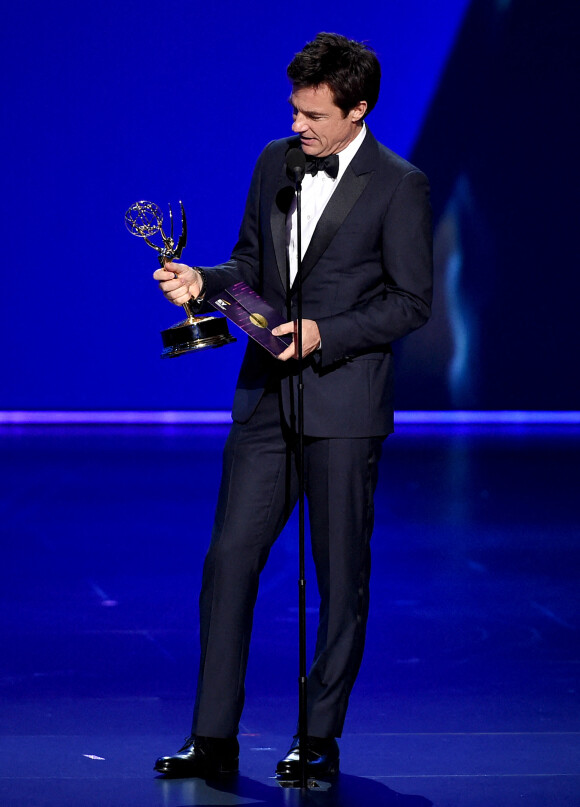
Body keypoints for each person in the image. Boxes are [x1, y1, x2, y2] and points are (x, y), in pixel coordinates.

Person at [152, 32, 433, 780]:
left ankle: (318, 736)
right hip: (265, 402)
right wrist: (201, 282)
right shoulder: (272, 163)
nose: (299, 125)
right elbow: (249, 263)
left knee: (340, 576)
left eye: (314, 114)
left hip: (343, 405)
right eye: (295, 109)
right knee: (228, 561)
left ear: (357, 109)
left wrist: (325, 333)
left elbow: (412, 303)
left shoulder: (399, 186)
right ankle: (212, 735)